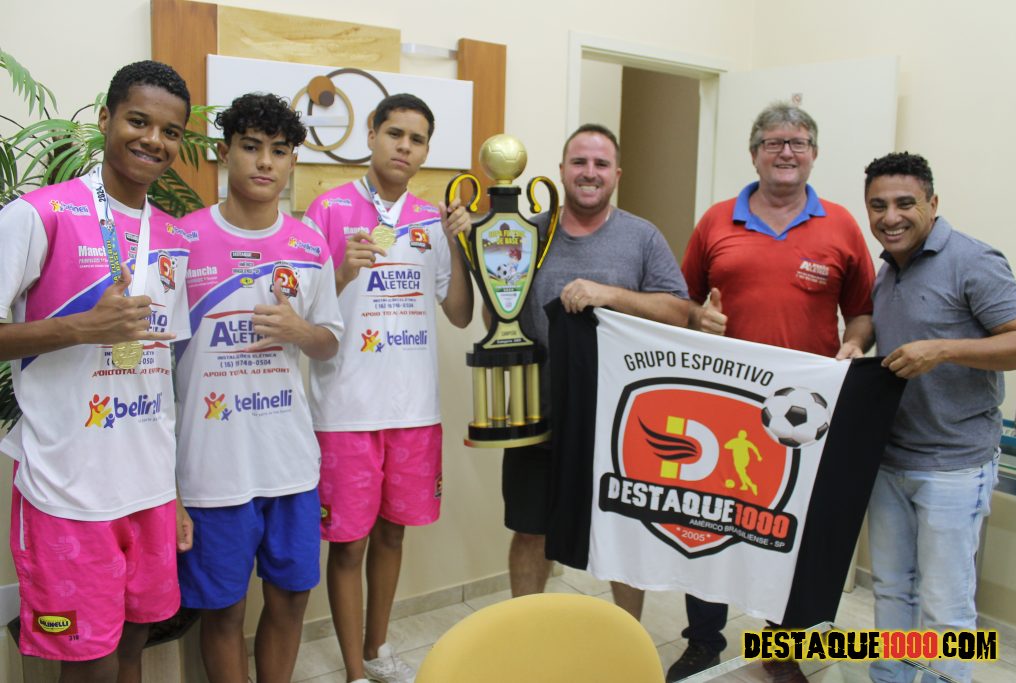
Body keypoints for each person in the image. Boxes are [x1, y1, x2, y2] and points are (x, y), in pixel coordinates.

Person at [0, 61, 194, 683]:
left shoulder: (173, 237)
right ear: (106, 119)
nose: (153, 140)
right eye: (138, 121)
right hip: (67, 491)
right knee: (88, 665)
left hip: (149, 490)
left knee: (133, 648)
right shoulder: (39, 215)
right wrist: (82, 327)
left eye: (170, 132)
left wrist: (174, 492)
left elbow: (161, 375)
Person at [673, 102, 876, 681]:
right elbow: (681, 303)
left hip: (806, 413)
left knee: (792, 529)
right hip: (724, 406)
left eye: (798, 142)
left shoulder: (841, 226)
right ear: (754, 152)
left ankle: (783, 647)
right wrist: (698, 317)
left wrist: (855, 343)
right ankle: (703, 641)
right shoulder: (716, 221)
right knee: (712, 524)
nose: (786, 152)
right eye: (773, 142)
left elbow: (863, 311)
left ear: (814, 153)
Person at [303, 93, 473, 683]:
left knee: (393, 534)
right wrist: (342, 270)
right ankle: (354, 670)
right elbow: (304, 314)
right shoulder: (327, 209)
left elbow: (459, 314)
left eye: (417, 139)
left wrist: (462, 245)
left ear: (426, 151)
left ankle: (378, 650)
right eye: (395, 133)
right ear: (371, 134)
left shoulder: (432, 220)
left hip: (413, 407)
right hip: (346, 408)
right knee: (348, 545)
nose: (404, 147)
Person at [174, 93, 343, 683]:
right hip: (211, 467)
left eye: (279, 150)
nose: (265, 162)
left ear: (293, 160)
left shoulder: (309, 245)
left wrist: (301, 331)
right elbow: (156, 361)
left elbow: (329, 343)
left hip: (289, 462)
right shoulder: (182, 240)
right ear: (225, 154)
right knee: (223, 611)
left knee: (291, 599)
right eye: (250, 147)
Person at [495, 123, 690, 615]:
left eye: (601, 164)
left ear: (617, 174)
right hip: (535, 412)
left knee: (623, 533)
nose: (589, 172)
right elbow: (496, 314)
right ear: (562, 170)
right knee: (530, 530)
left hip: (620, 420)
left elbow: (678, 312)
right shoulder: (525, 233)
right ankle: (525, 637)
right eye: (579, 162)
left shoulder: (642, 237)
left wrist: (610, 295)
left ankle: (626, 646)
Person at [864, 152, 1016, 683]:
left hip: (954, 465)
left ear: (933, 203)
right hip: (890, 459)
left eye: (905, 203)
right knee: (891, 590)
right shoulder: (887, 269)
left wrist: (945, 349)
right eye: (878, 206)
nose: (891, 217)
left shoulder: (973, 260)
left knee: (945, 608)